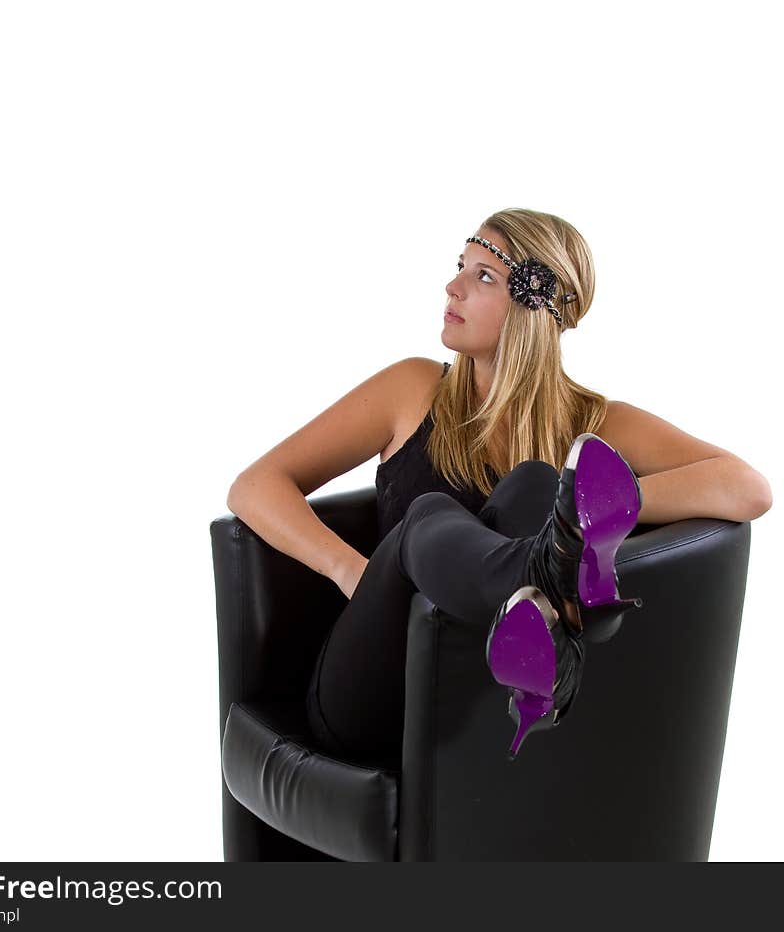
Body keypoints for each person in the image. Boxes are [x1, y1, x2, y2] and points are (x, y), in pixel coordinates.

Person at [226, 207, 772, 764]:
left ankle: (541, 575)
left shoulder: (595, 423)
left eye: (483, 276)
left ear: (533, 308)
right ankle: (542, 577)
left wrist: (580, 512)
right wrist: (353, 572)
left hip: (480, 711)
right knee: (430, 514)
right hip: (374, 689)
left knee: (538, 484)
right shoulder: (412, 389)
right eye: (460, 266)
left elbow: (746, 488)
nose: (452, 286)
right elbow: (255, 486)